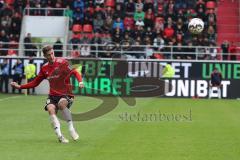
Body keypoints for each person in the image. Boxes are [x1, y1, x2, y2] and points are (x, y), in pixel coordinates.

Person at [11, 45, 84, 143]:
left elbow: (75, 72)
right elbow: (35, 82)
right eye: (49, 55)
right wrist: (20, 86)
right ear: (45, 56)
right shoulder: (44, 68)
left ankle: (71, 129)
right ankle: (60, 136)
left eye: (52, 53)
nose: (52, 56)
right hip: (53, 95)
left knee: (61, 104)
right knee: (50, 109)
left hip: (66, 94)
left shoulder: (63, 62)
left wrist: (80, 81)